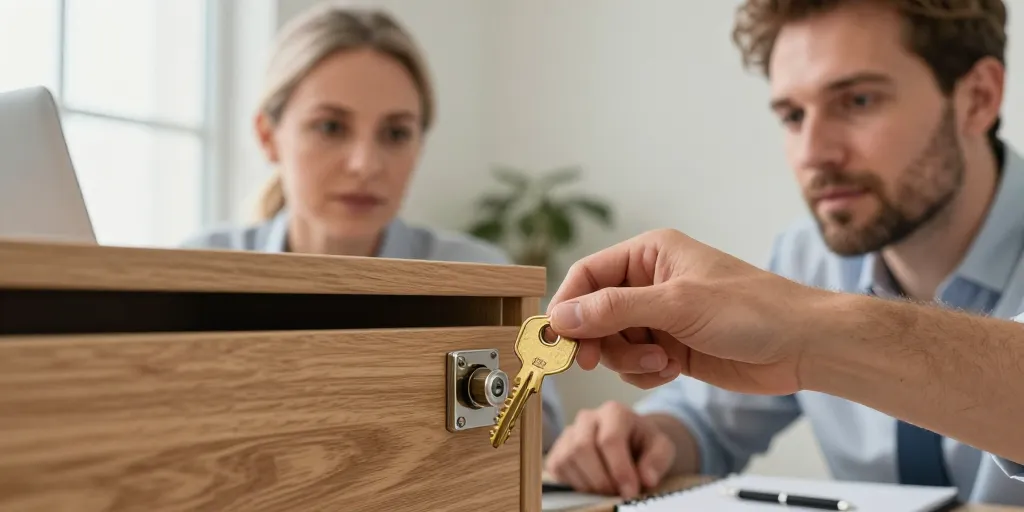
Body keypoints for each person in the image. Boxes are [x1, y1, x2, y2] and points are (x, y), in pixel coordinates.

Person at [543, 0, 1024, 505]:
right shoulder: (806, 256)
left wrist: (813, 329)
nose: (813, 153)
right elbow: (706, 420)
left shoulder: (801, 293)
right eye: (793, 115)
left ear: (978, 98)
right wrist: (644, 441)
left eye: (858, 101)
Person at [180, 4, 566, 453]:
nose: (365, 164)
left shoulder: (478, 276)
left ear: (419, 146)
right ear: (268, 136)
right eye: (330, 127)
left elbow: (543, 440)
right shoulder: (200, 271)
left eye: (396, 134)